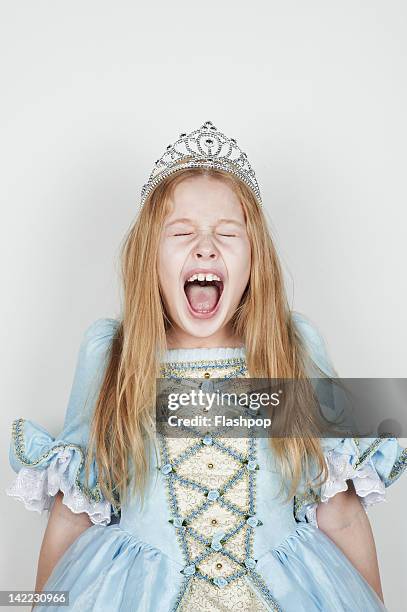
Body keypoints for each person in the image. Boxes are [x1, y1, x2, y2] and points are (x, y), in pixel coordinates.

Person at [6, 120, 406, 611]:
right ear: (148, 257)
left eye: (226, 232)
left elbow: (339, 513)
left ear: (254, 257)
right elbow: (74, 514)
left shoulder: (288, 348)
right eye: (181, 232)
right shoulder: (113, 355)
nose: (205, 245)